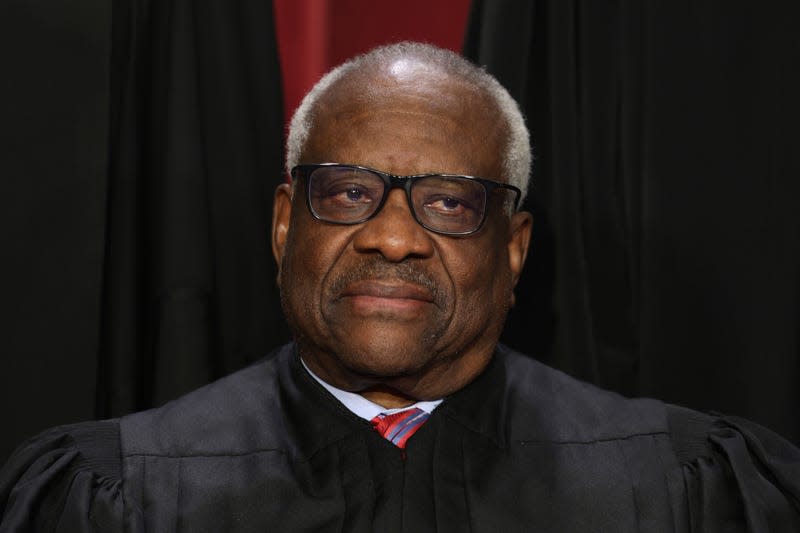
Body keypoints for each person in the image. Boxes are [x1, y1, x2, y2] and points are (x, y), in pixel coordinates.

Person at [1, 42, 798, 532]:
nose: (392, 235)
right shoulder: (122, 496)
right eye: (348, 191)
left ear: (514, 249)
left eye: (450, 202)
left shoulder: (675, 492)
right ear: (285, 227)